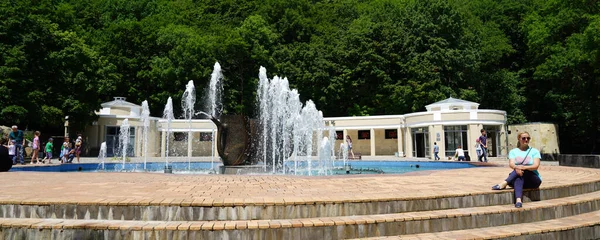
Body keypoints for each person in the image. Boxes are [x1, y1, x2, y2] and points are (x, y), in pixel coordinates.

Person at [491, 132, 542, 208]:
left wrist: (522, 168)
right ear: (519, 139)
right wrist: (517, 168)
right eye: (524, 138)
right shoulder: (513, 152)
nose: (526, 140)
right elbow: (511, 164)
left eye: (528, 138)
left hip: (533, 179)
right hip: (520, 176)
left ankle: (504, 183)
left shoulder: (534, 151)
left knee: (522, 171)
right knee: (518, 176)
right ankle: (518, 200)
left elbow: (535, 166)